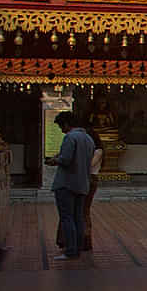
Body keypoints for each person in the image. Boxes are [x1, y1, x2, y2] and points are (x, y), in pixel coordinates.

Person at [50, 109, 98, 260]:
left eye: (61, 127)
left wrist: (54, 160)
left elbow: (66, 159)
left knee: (67, 217)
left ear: (66, 124)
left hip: (67, 183)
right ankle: (78, 247)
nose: (62, 131)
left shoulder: (70, 137)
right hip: (82, 182)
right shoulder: (88, 138)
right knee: (78, 217)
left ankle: (71, 250)